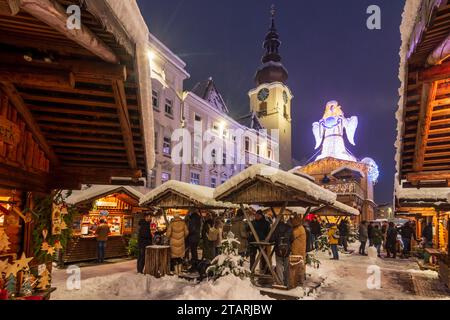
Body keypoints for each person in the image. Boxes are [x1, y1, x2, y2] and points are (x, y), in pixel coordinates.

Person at [271, 217, 294, 287]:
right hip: (287, 249)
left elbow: (272, 239)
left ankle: (280, 282)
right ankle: (287, 282)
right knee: (287, 266)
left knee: (279, 266)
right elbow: (292, 239)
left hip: (278, 249)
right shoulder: (289, 227)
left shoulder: (275, 228)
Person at [290, 215, 307, 284]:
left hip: (298, 249)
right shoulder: (300, 228)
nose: (292, 222)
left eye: (293, 221)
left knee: (299, 264)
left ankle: (299, 278)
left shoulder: (299, 229)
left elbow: (292, 235)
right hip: (299, 249)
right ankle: (301, 277)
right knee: (301, 263)